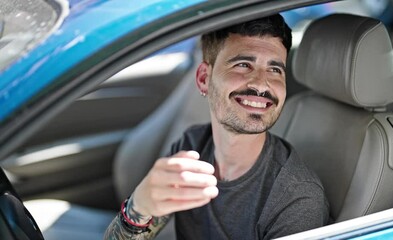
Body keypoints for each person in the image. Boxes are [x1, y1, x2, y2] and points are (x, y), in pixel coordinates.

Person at [104, 14, 329, 240]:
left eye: (274, 70)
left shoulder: (295, 198)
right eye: (243, 65)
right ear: (203, 78)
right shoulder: (192, 146)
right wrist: (139, 207)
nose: (262, 84)